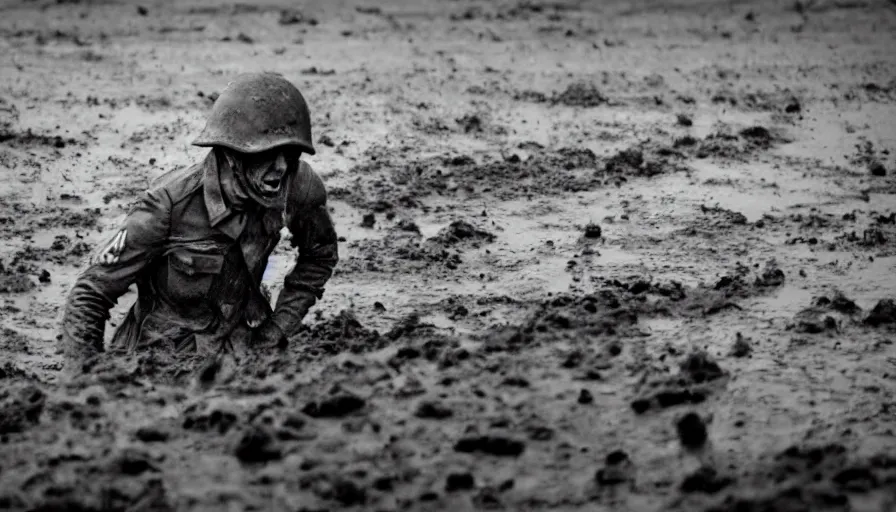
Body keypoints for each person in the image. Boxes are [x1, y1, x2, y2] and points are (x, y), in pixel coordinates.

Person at [60, 72, 339, 371]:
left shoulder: (299, 186)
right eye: (268, 154)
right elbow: (91, 291)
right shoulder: (166, 206)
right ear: (232, 155)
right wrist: (82, 379)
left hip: (242, 353)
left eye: (291, 154)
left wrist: (277, 330)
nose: (281, 167)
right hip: (158, 362)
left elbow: (319, 256)